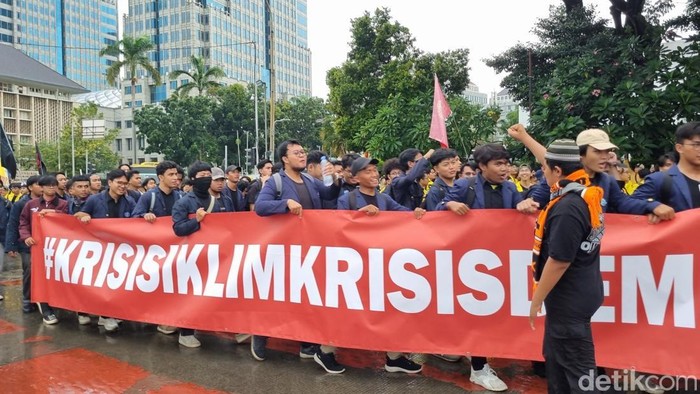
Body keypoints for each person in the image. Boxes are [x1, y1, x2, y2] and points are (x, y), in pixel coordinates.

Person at [440, 143, 524, 392]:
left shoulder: (510, 188)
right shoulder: (465, 186)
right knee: (478, 313)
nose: (505, 168)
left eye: (506, 163)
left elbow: (519, 212)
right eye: (498, 164)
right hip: (471, 263)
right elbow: (435, 213)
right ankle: (478, 369)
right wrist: (448, 206)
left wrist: (523, 207)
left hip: (501, 261)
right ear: (482, 167)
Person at [254, 139, 344, 374]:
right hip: (283, 249)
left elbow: (329, 194)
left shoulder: (309, 180)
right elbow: (261, 207)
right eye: (297, 153)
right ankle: (260, 334)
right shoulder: (275, 182)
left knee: (304, 297)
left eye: (303, 152)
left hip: (308, 249)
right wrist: (285, 203)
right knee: (278, 296)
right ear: (284, 158)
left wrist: (335, 179)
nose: (302, 156)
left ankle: (306, 342)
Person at [529, 139, 605, 394]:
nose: (543, 172)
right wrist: (525, 138)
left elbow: (560, 260)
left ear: (558, 171)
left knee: (580, 373)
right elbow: (549, 160)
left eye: (545, 169)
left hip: (569, 300)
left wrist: (536, 299)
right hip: (580, 292)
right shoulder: (584, 189)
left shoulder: (567, 207)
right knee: (556, 360)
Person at [336, 157, 425, 374]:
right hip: (355, 266)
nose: (374, 174)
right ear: (356, 178)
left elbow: (404, 214)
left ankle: (393, 357)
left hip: (380, 264)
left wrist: (416, 213)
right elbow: (336, 228)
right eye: (368, 171)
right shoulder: (347, 199)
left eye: (375, 170)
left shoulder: (384, 199)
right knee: (347, 310)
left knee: (388, 310)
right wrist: (359, 216)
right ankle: (326, 350)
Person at [508, 125, 675, 223]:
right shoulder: (559, 179)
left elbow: (624, 203)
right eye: (598, 151)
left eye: (608, 151)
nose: (605, 156)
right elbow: (536, 202)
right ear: (581, 154)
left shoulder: (606, 181)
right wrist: (526, 204)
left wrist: (652, 206)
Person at [171, 161, 233, 348]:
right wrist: (196, 221)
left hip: (218, 254)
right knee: (191, 294)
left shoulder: (225, 200)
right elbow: (178, 228)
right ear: (193, 179)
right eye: (202, 176)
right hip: (194, 257)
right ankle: (186, 331)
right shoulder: (184, 202)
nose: (206, 178)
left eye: (209, 175)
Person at [75, 169, 137, 332]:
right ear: (109, 183)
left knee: (114, 283)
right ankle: (104, 314)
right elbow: (78, 215)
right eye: (119, 183)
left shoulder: (130, 202)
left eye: (125, 184)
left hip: (119, 250)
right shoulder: (95, 200)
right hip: (98, 249)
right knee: (99, 283)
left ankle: (107, 314)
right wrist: (84, 217)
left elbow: (136, 222)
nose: (122, 187)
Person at [132, 161, 183, 336]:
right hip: (154, 251)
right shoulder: (149, 197)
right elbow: (133, 219)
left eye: (176, 174)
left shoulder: (181, 197)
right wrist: (143, 215)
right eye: (171, 175)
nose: (175, 178)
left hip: (175, 248)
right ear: (160, 177)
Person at [18, 175, 69, 325]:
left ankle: (55, 301)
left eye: (54, 185)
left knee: (56, 274)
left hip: (57, 247)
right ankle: (40, 303)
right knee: (36, 273)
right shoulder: (30, 204)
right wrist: (26, 236)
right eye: (48, 185)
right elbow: (23, 222)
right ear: (42, 188)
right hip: (37, 246)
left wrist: (54, 214)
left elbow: (68, 220)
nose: (51, 188)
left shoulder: (64, 204)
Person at [632, 122, 700, 211]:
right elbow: (630, 203)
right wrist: (653, 207)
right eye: (697, 145)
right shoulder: (659, 180)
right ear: (679, 148)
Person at [5, 175, 42, 313]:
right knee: (29, 270)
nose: (42, 187)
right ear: (30, 187)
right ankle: (27, 298)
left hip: (45, 245)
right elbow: (13, 224)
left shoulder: (49, 202)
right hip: (26, 245)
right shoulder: (21, 203)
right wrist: (11, 246)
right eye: (39, 184)